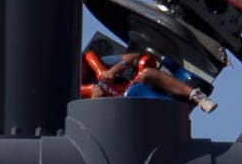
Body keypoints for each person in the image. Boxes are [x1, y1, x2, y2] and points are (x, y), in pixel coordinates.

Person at [81, 41, 217, 112]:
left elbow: (134, 56)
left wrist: (114, 70)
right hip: (123, 111)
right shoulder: (79, 93)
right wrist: (95, 100)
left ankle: (196, 96)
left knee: (147, 72)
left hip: (133, 89)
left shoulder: (99, 62)